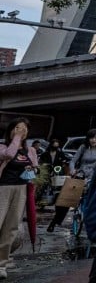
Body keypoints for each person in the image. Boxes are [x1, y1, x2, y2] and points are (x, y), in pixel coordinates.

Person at [0, 118, 37, 279]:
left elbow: (35, 169)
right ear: (10, 130)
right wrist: (16, 138)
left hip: (21, 188)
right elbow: (8, 155)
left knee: (11, 227)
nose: (22, 131)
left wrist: (32, 169)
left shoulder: (31, 151)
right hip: (3, 187)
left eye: (24, 129)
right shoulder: (3, 146)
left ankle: (1, 264)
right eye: (18, 127)